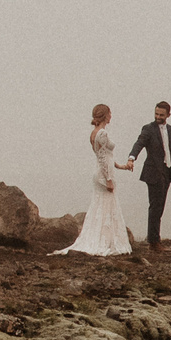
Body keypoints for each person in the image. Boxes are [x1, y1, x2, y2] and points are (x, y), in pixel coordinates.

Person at [57, 103, 135, 256]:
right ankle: (104, 241)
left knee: (101, 207)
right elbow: (103, 159)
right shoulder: (102, 134)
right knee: (106, 208)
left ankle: (103, 238)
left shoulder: (94, 133)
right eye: (110, 113)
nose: (111, 115)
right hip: (104, 175)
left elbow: (105, 157)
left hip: (101, 172)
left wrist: (121, 166)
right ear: (105, 115)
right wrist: (109, 179)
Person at [123, 99, 171, 252]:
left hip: (167, 171)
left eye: (161, 114)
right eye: (156, 114)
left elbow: (169, 151)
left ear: (168, 115)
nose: (158, 117)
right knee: (155, 206)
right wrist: (132, 158)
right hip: (153, 173)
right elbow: (139, 143)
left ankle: (155, 238)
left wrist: (169, 168)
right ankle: (154, 241)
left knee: (161, 206)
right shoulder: (148, 129)